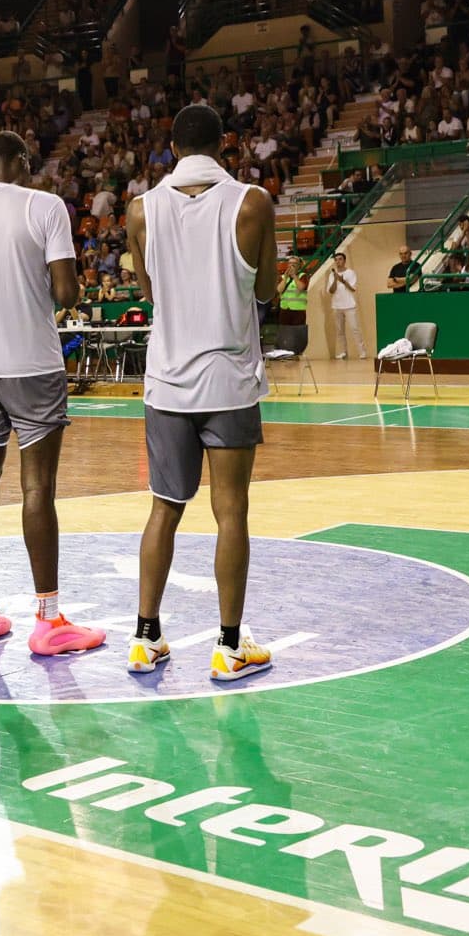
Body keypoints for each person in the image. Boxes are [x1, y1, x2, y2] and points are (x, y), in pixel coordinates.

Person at [0, 130, 103, 656]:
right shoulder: (46, 207)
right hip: (33, 367)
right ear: (23, 163)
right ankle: (49, 621)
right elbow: (66, 293)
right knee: (37, 489)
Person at [125, 102, 274, 679]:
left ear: (172, 147)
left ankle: (145, 638)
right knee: (230, 511)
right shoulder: (252, 202)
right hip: (228, 381)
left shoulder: (141, 209)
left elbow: (149, 291)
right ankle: (230, 646)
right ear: (225, 144)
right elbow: (266, 289)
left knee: (164, 509)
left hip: (167, 383)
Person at [324, 251, 365, 359]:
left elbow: (353, 289)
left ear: (344, 261)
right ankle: (343, 352)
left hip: (349, 305)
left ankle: (362, 352)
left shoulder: (351, 273)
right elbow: (331, 291)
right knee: (340, 331)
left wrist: (342, 281)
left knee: (355, 329)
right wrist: (335, 280)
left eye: (340, 259)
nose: (338, 261)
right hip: (336, 306)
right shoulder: (332, 275)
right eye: (336, 260)